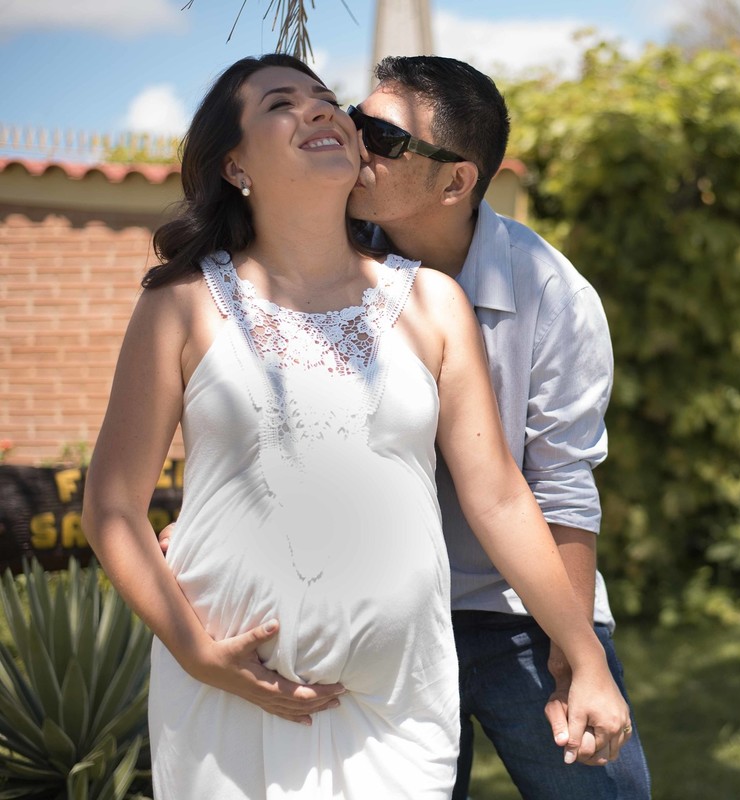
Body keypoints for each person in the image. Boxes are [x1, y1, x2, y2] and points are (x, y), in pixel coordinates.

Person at [81, 53, 631, 800]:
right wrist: (197, 654)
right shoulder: (179, 304)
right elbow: (112, 507)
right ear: (234, 164)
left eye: (323, 98)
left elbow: (506, 495)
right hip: (228, 696)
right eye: (280, 103)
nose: (324, 111)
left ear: (455, 182)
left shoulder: (437, 303)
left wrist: (584, 656)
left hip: (402, 702)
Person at [346, 56, 652, 800]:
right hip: (383, 617)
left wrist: (573, 653)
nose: (355, 146)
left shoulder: (554, 295)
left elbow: (562, 485)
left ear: (456, 182)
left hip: (521, 611)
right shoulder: (328, 264)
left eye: (384, 139)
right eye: (355, 123)